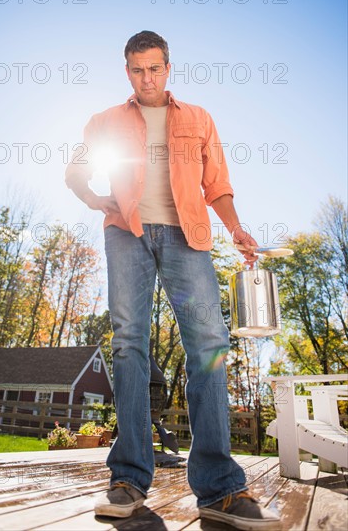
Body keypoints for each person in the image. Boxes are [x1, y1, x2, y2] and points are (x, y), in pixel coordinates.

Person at [65, 31, 280, 530]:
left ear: (169, 68)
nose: (147, 78)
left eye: (155, 68)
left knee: (208, 343)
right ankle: (128, 481)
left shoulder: (198, 119)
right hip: (127, 235)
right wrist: (95, 200)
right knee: (128, 345)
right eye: (138, 70)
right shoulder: (105, 122)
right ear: (127, 72)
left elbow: (217, 186)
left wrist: (237, 229)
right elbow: (76, 172)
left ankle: (220, 491)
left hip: (189, 237)